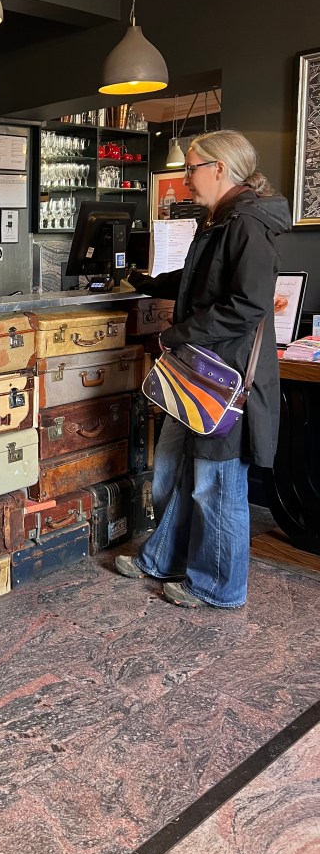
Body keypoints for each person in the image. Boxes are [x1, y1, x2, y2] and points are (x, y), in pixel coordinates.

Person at [115, 130, 292, 609]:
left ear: (220, 168)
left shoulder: (248, 223)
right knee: (174, 466)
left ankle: (217, 585)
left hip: (224, 375)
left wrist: (175, 335)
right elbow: (198, 279)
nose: (185, 178)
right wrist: (144, 281)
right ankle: (165, 558)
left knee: (216, 483)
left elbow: (247, 305)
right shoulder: (221, 219)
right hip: (200, 369)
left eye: (191, 168)